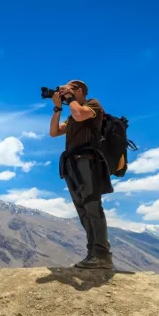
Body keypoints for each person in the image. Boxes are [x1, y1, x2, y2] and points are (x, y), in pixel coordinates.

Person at [48, 80, 114, 269]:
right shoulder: (71, 113)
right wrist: (57, 109)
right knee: (83, 209)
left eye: (68, 89)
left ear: (79, 91)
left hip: (88, 161)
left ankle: (102, 254)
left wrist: (70, 99)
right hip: (72, 164)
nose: (63, 92)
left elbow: (78, 114)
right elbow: (54, 132)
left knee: (92, 206)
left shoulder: (92, 104)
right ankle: (93, 253)